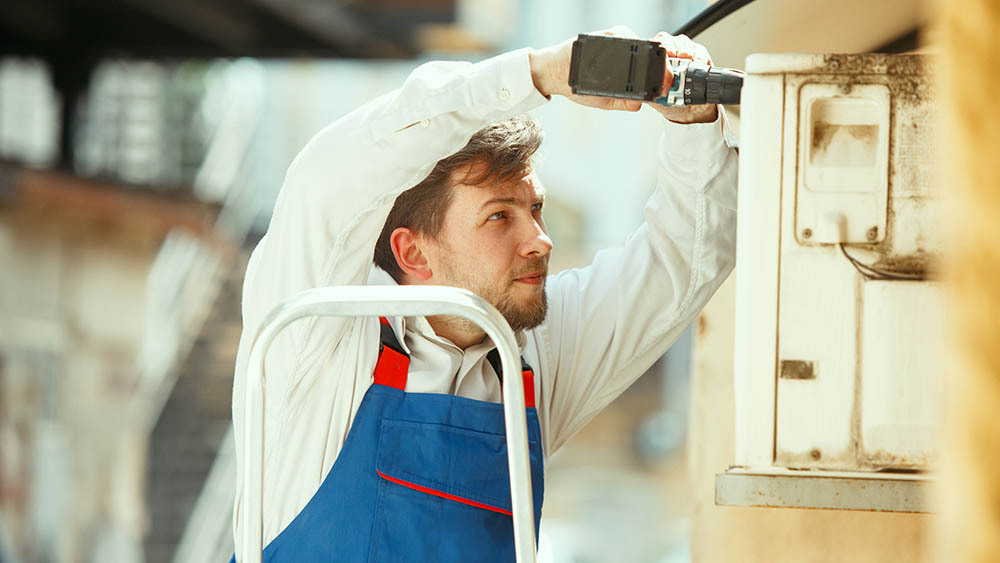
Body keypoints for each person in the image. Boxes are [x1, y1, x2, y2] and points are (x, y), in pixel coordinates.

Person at [230, 26, 738, 562]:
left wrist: (694, 124)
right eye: (500, 216)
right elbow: (326, 176)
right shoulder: (316, 344)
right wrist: (539, 75)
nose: (539, 240)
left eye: (535, 209)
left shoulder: (530, 355)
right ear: (413, 253)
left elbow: (683, 261)